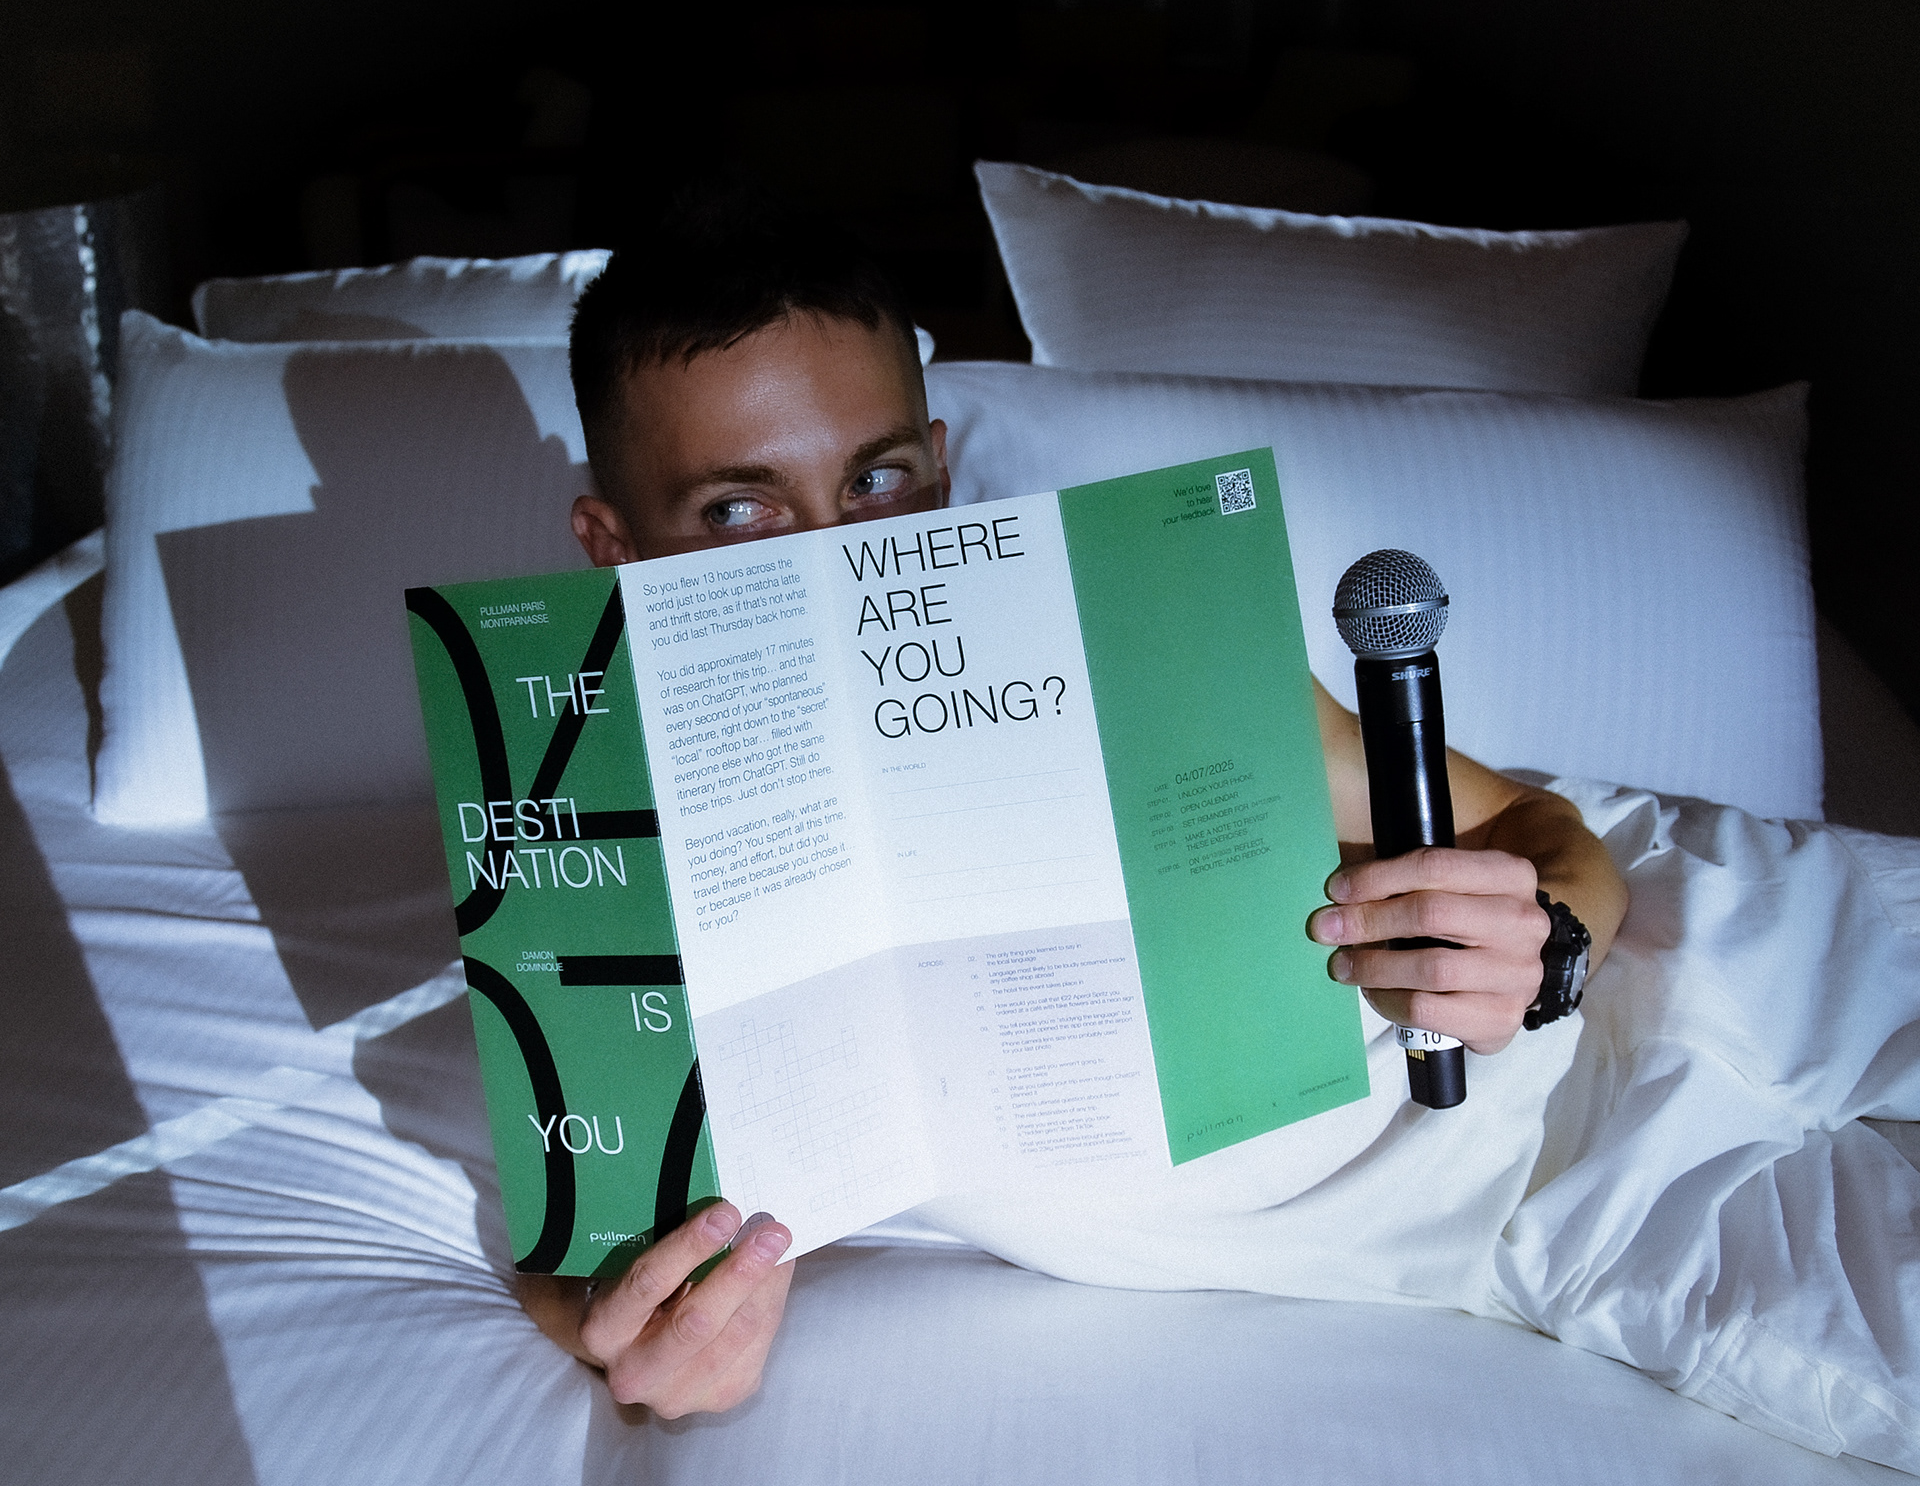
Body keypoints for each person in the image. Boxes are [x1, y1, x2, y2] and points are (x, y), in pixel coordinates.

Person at [514, 194, 1629, 1419]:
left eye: (876, 480)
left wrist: (1547, 951)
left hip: (1552, 1130)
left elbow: (1550, 836)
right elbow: (586, 1233)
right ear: (615, 547)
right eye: (739, 510)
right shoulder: (585, 852)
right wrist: (619, 1326)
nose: (835, 559)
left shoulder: (1139, 648)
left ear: (940, 466)